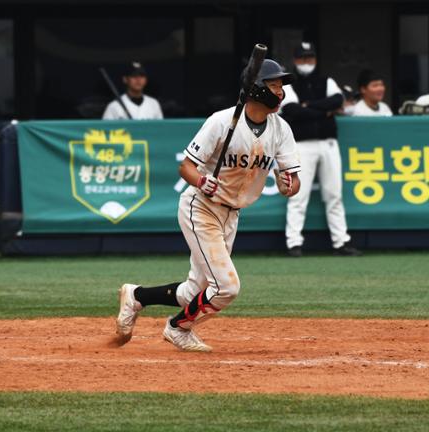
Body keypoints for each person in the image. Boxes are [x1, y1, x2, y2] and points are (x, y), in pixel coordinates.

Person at [115, 59, 301, 351]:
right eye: (274, 84)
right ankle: (177, 328)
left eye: (281, 85)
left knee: (197, 291)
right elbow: (186, 167)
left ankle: (136, 296)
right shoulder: (222, 121)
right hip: (200, 207)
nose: (280, 91)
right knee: (226, 287)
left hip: (231, 214)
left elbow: (291, 178)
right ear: (256, 88)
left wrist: (287, 185)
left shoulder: (281, 129)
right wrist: (201, 181)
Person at [280, 41, 361, 257]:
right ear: (296, 60)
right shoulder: (288, 84)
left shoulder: (327, 80)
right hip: (301, 145)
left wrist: (309, 107)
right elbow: (292, 111)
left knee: (334, 193)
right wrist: (324, 110)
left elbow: (337, 99)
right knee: (298, 195)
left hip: (328, 143)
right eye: (303, 58)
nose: (307, 62)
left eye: (310, 58)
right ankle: (294, 243)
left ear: (315, 59)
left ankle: (341, 242)